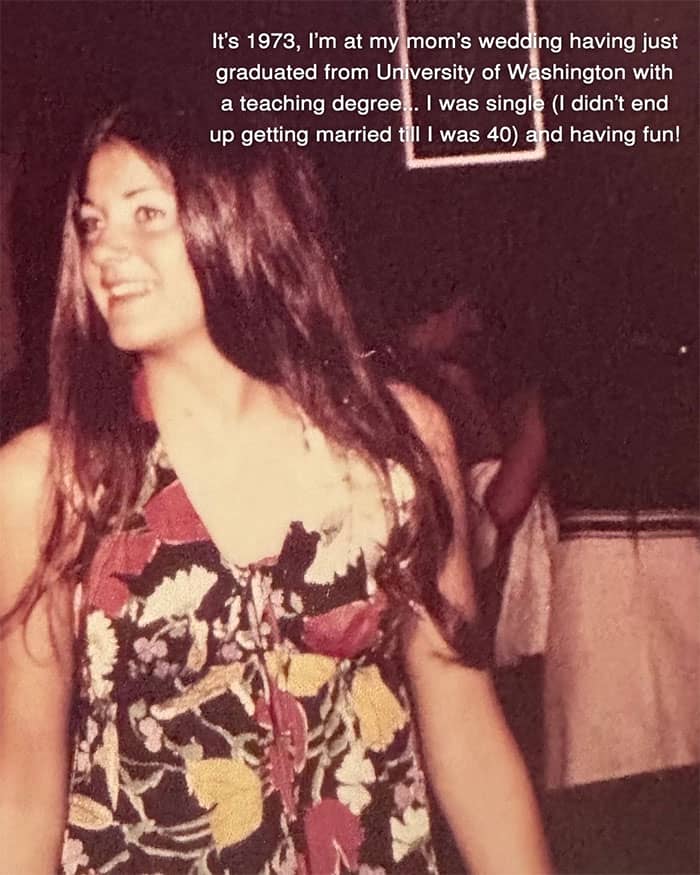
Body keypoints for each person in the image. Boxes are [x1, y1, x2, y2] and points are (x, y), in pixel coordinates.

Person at [0, 100, 551, 875]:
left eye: (146, 213)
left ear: (244, 220)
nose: (105, 251)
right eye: (92, 223)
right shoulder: (52, 482)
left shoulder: (393, 443)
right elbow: (24, 781)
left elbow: (465, 721)